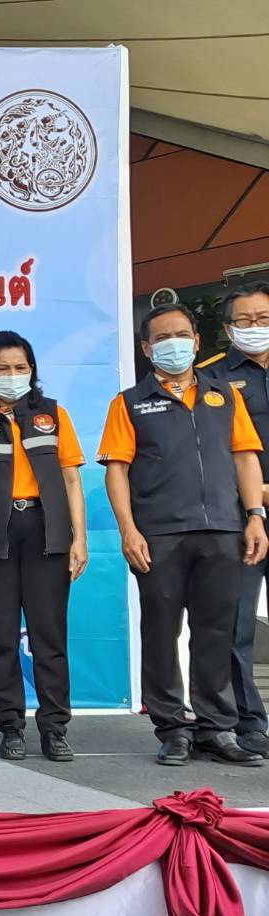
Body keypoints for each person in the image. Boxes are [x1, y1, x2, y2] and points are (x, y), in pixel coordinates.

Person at [98, 302, 267, 766]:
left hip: (223, 530)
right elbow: (117, 470)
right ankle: (172, 728)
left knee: (216, 632)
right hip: (159, 535)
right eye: (162, 338)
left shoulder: (224, 395)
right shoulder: (129, 402)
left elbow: (245, 457)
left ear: (196, 341)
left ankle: (217, 728)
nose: (173, 344)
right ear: (146, 348)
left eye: (181, 335)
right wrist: (128, 530)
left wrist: (254, 516)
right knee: (160, 631)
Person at [0, 332, 87, 763]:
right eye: (3, 368)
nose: (13, 375)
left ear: (32, 370)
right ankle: (10, 726)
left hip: (46, 533)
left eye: (21, 367)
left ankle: (55, 728)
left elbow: (71, 479)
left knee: (49, 637)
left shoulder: (52, 413)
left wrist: (79, 538)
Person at [202, 281, 269, 760]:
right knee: (235, 625)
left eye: (262, 319)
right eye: (244, 321)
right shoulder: (212, 379)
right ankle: (249, 724)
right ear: (227, 329)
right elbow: (206, 449)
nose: (254, 328)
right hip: (244, 517)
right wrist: (256, 499)